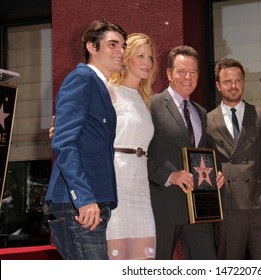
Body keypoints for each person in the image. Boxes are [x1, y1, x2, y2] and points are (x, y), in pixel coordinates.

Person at [44, 19, 127, 260]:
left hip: (94, 202)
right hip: (80, 203)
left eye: (123, 45)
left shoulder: (99, 85)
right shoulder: (82, 78)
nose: (121, 51)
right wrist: (84, 198)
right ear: (92, 47)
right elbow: (65, 143)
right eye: (112, 45)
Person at [147, 45, 224, 260]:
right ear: (169, 74)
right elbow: (139, 155)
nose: (188, 77)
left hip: (198, 210)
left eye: (193, 72)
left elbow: (204, 153)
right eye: (181, 71)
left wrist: (215, 173)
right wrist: (169, 176)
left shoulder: (200, 112)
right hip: (163, 208)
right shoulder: (151, 105)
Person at [206, 58, 261, 260]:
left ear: (244, 82)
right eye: (227, 81)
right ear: (218, 85)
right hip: (227, 207)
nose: (233, 86)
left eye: (238, 81)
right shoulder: (207, 120)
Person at [105, 33, 157, 259]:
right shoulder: (110, 91)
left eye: (150, 57)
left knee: (144, 259)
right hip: (115, 181)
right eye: (141, 56)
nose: (147, 62)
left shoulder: (144, 98)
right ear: (126, 58)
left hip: (141, 186)